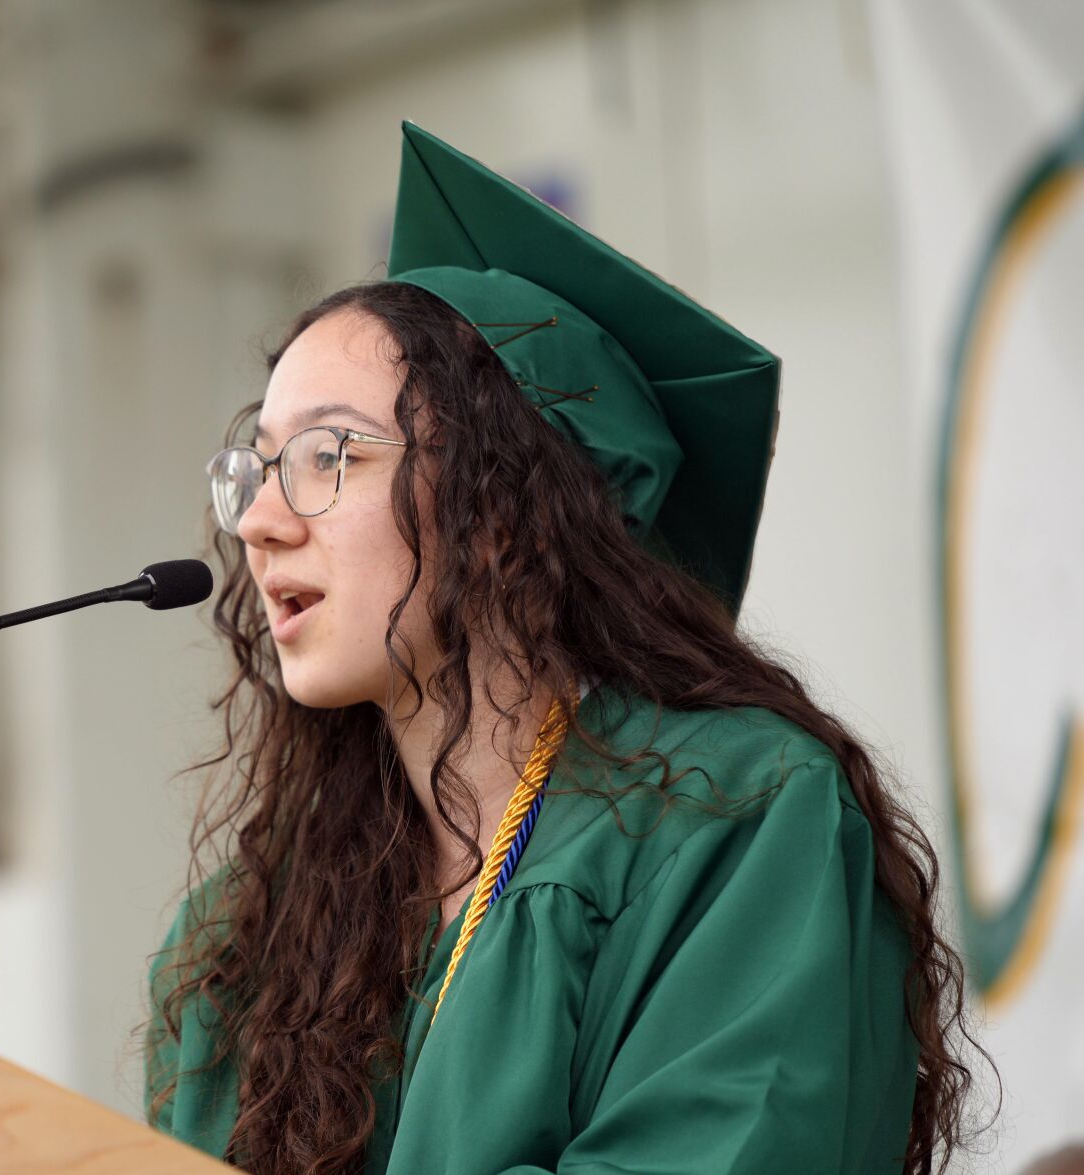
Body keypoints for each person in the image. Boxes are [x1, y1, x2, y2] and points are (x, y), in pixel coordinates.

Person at [140, 123, 984, 1174]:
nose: (259, 518)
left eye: (328, 454)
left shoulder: (733, 818)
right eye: (256, 467)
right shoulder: (250, 932)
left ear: (502, 507)